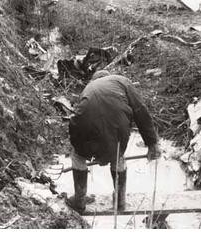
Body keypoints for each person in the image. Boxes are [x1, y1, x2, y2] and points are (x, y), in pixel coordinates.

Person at [66, 70, 161, 213]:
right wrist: (152, 143)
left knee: (78, 156)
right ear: (107, 76)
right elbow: (141, 111)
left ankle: (79, 199)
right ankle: (120, 200)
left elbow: (81, 116)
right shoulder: (122, 81)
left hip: (84, 124)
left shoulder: (89, 88)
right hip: (118, 124)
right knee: (118, 154)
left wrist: (84, 150)